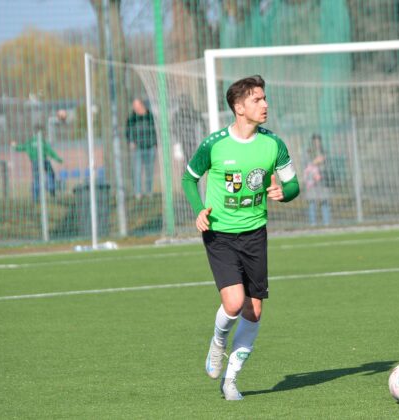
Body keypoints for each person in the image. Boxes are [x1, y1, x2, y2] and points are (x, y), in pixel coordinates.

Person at [181, 75, 300, 401]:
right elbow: (189, 179)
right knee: (234, 303)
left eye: (264, 98)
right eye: (257, 100)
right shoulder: (214, 144)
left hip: (255, 234)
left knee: (254, 311)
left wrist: (284, 192)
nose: (265, 104)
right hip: (219, 233)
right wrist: (199, 210)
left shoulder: (273, 144)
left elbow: (293, 184)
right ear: (239, 107)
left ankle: (231, 380)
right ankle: (218, 342)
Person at [12, 124, 63, 201]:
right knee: (51, 174)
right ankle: (52, 190)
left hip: (35, 162)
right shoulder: (43, 141)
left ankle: (35, 197)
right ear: (41, 133)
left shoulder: (30, 142)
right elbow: (50, 151)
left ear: (34, 133)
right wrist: (58, 159)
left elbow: (20, 148)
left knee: (36, 178)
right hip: (44, 160)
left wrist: (14, 146)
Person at [125, 98, 157, 199]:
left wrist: (155, 143)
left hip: (150, 147)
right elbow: (127, 131)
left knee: (149, 171)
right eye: (134, 106)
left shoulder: (150, 117)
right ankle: (138, 193)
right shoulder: (132, 118)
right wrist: (131, 141)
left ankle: (149, 192)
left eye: (137, 105)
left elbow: (156, 131)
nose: (135, 108)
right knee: (137, 171)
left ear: (142, 105)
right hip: (138, 148)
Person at [303, 133, 331, 226]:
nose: (317, 143)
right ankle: (313, 223)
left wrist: (323, 161)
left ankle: (326, 222)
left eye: (318, 141)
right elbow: (305, 164)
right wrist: (315, 162)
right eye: (315, 141)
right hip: (311, 181)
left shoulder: (324, 152)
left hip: (323, 180)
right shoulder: (308, 152)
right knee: (312, 202)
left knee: (324, 201)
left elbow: (328, 165)